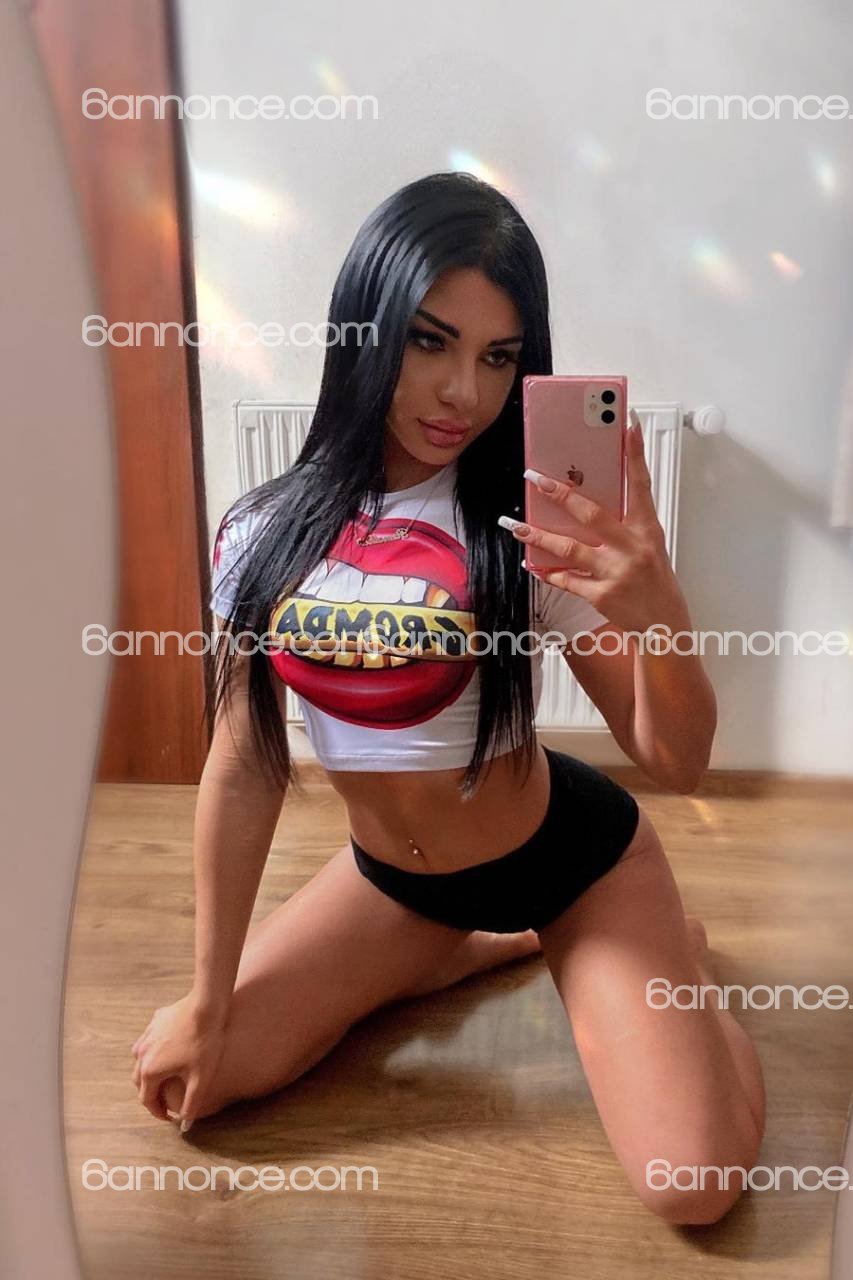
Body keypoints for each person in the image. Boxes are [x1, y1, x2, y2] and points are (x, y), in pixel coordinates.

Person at [130, 172, 766, 1225]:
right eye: (431, 341)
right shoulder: (262, 531)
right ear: (367, 327)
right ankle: (478, 946)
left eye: (499, 356)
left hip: (570, 864)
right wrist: (206, 999)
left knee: (690, 1184)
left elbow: (678, 760)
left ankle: (675, 986)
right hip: (394, 882)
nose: (464, 392)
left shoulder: (534, 530)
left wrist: (659, 613)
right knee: (188, 1080)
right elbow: (242, 767)